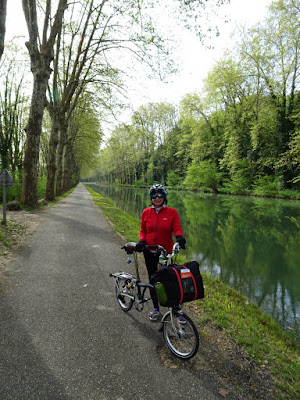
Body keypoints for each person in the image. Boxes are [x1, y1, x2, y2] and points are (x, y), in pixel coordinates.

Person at [135, 184, 186, 321]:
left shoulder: (172, 212)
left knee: (169, 280)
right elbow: (143, 231)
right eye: (154, 196)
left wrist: (179, 237)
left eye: (160, 195)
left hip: (166, 252)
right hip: (149, 251)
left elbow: (177, 228)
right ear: (150, 198)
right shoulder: (146, 212)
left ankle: (176, 309)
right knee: (153, 279)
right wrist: (141, 241)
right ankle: (156, 308)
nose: (157, 198)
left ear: (164, 197)